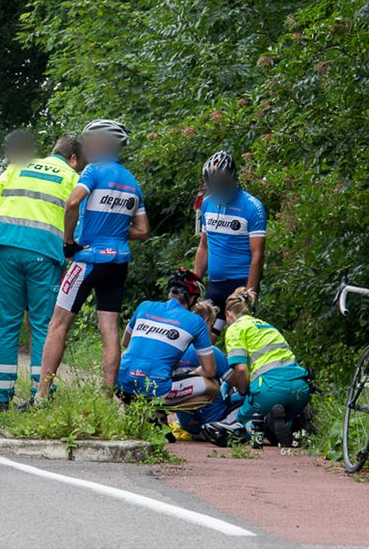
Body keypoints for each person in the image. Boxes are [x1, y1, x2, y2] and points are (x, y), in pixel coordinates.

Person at [0, 136, 83, 409]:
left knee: (7, 325)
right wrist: (73, 248)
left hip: (6, 250)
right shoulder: (72, 177)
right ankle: (40, 396)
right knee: (42, 326)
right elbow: (76, 217)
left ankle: (1, 396)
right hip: (45, 254)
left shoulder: (17, 167)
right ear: (74, 159)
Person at [38, 119, 149, 399]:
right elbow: (143, 230)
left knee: (58, 324)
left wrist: (68, 241)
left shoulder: (93, 170)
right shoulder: (132, 181)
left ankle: (41, 394)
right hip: (118, 261)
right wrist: (115, 235)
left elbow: (73, 202)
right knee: (110, 328)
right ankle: (106, 397)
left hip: (87, 258)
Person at [201, 288, 310, 447]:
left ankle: (254, 427)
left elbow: (241, 369)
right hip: (300, 388)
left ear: (229, 313)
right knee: (283, 418)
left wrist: (244, 392)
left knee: (241, 423)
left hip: (270, 389)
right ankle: (285, 425)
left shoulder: (235, 328)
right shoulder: (266, 326)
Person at [0, 129, 37, 392]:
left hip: (37, 254)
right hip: (5, 256)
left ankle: (39, 386)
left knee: (35, 320)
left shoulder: (42, 179)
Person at [115, 269, 217, 405]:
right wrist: (190, 373)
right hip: (155, 390)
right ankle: (161, 413)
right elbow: (209, 370)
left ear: (169, 292)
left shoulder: (144, 306)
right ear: (192, 299)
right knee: (213, 386)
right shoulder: (196, 321)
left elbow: (125, 342)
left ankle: (144, 417)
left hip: (120, 384)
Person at [193, 151, 266, 338]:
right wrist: (194, 282)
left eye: (221, 184)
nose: (218, 190)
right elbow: (204, 245)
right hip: (215, 284)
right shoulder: (208, 203)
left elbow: (257, 256)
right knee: (202, 338)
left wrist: (249, 294)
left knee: (239, 337)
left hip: (239, 284)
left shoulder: (252, 207)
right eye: (214, 186)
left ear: (233, 178)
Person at [171, 301, 233, 437]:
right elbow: (239, 383)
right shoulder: (212, 352)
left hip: (188, 425)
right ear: (206, 321)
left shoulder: (176, 348)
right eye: (212, 324)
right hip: (214, 421)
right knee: (241, 393)